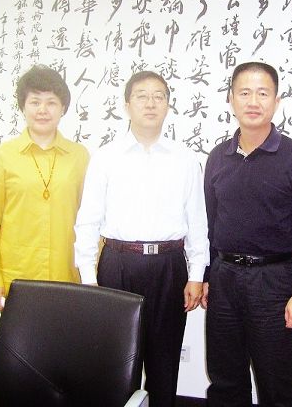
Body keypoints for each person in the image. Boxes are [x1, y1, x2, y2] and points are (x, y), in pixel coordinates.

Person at [74, 71, 208, 407]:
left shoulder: (185, 158)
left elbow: (197, 221)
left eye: (159, 96)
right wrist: (88, 278)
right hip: (117, 264)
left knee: (165, 360)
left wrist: (196, 274)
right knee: (117, 361)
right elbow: (87, 221)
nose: (151, 103)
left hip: (169, 266)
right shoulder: (106, 157)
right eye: (142, 96)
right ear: (127, 105)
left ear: (167, 105)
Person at [201, 62, 292, 407]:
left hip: (274, 282)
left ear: (276, 101)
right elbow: (209, 224)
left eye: (263, 93)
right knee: (225, 378)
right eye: (244, 93)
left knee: (274, 381)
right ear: (231, 99)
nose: (253, 101)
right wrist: (207, 276)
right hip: (224, 278)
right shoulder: (218, 157)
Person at [0, 64, 89, 311]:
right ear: (23, 107)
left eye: (51, 102)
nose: (42, 110)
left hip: (67, 278)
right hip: (17, 281)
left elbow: (91, 221)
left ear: (63, 108)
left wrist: (91, 275)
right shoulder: (3, 156)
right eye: (35, 102)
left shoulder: (80, 157)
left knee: (64, 337)